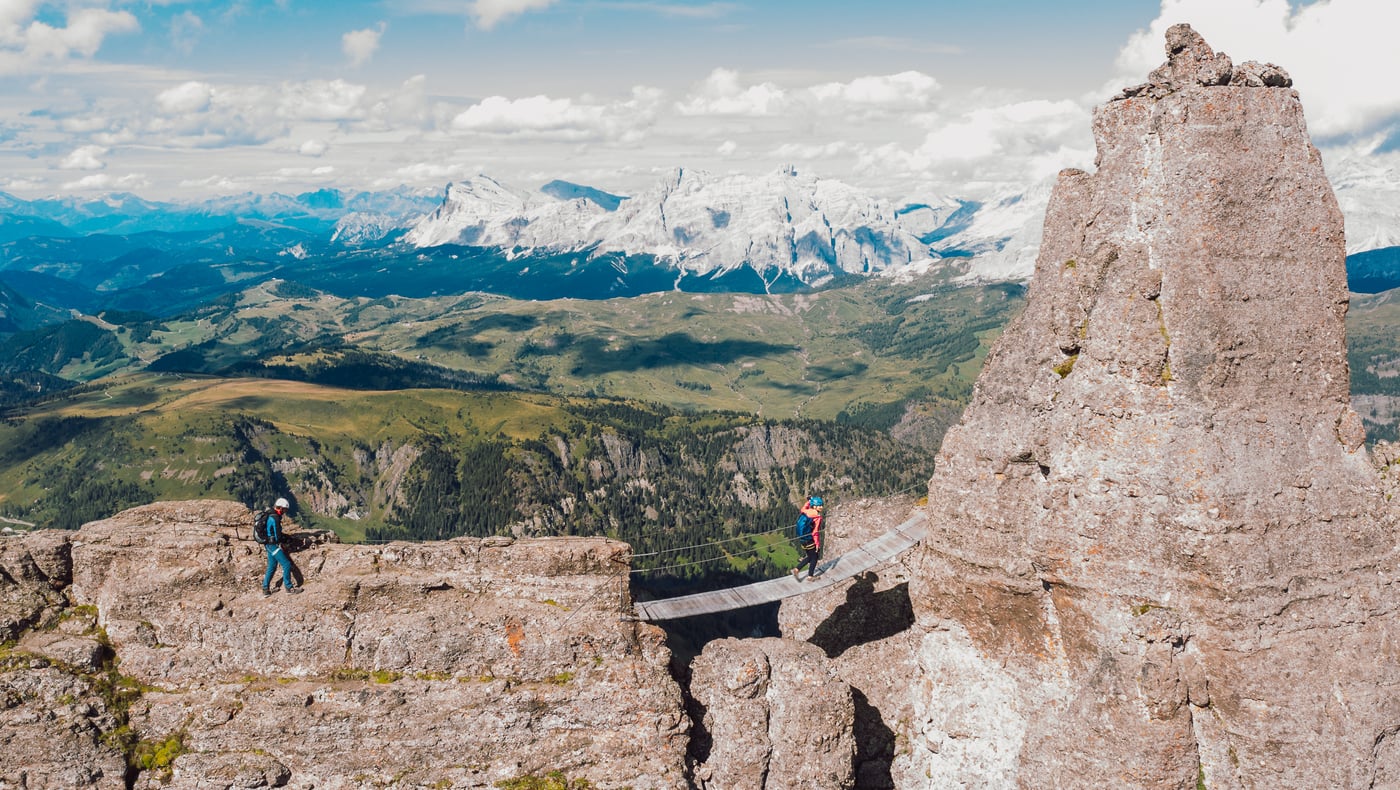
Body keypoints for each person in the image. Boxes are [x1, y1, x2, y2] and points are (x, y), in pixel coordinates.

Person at [261, 497, 303, 596]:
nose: (285, 512)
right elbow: (278, 536)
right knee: (286, 564)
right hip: (273, 545)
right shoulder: (275, 518)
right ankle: (289, 588)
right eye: (284, 510)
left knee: (272, 566)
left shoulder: (270, 514)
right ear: (280, 508)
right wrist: (289, 540)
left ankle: (265, 589)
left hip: (268, 544)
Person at [791, 495, 825, 581]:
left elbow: (802, 509)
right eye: (820, 505)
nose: (821, 507)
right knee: (814, 557)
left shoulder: (806, 512)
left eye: (821, 505)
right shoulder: (817, 517)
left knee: (810, 556)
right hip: (810, 540)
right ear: (815, 506)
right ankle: (810, 576)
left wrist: (809, 501)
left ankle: (796, 569)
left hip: (802, 539)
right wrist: (817, 544)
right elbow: (815, 532)